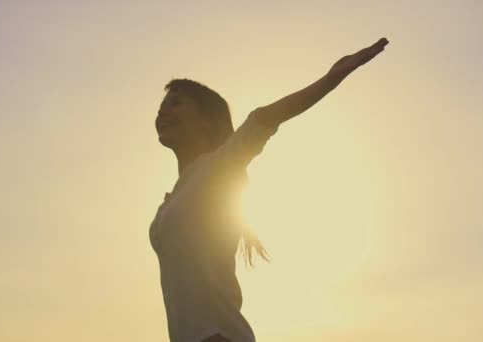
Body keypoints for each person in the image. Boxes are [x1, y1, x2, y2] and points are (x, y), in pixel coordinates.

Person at [149, 38, 389, 342]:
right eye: (161, 106)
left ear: (207, 123)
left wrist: (331, 79)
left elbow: (264, 118)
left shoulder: (217, 168)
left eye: (175, 103)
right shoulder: (174, 199)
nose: (163, 112)